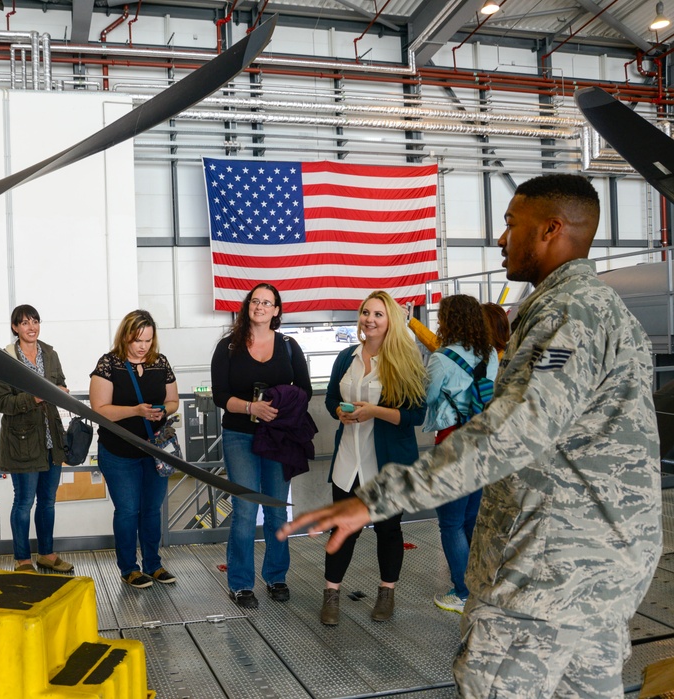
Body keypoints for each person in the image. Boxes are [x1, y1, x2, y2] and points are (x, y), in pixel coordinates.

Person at [280, 174, 661, 697]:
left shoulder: (569, 314)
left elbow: (514, 431)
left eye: (511, 225)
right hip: (596, 561)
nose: (501, 239)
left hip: (553, 566)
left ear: (551, 229)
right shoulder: (595, 309)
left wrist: (377, 500)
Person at [319, 290, 427, 625]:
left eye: (378, 314)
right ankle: (331, 595)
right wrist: (339, 411)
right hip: (348, 461)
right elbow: (331, 400)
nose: (370, 319)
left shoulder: (405, 359)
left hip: (386, 464)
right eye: (366, 312)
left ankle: (386, 593)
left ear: (390, 320)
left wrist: (374, 411)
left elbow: (416, 416)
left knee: (388, 529)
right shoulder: (345, 357)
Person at [210, 283, 312, 610]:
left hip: (279, 435)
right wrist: (251, 408)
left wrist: (281, 406)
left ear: (277, 310)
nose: (261, 307)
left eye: (267, 303)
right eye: (256, 301)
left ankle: (276, 576)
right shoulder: (227, 347)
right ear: (247, 306)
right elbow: (220, 395)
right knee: (244, 509)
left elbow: (305, 389)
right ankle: (240, 583)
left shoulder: (289, 346)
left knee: (276, 508)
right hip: (240, 434)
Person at [89, 310, 180, 589]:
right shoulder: (109, 364)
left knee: (152, 510)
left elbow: (174, 400)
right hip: (119, 452)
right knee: (128, 510)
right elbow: (99, 410)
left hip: (154, 451)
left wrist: (162, 410)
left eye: (148, 340)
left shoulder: (160, 362)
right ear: (126, 336)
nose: (143, 346)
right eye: (138, 340)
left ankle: (153, 564)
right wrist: (135, 411)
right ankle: (129, 568)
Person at [419, 295, 497, 615]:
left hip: (453, 445)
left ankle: (463, 592)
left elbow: (428, 396)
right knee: (471, 520)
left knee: (450, 523)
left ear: (449, 320)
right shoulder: (490, 354)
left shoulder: (441, 359)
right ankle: (478, 587)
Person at [0, 304, 73, 574]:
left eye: (35, 321)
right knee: (24, 502)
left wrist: (61, 390)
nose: (31, 327)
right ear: (15, 327)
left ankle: (47, 554)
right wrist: (34, 397)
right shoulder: (6, 357)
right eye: (24, 322)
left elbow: (59, 382)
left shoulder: (50, 354)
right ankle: (23, 560)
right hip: (22, 442)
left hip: (51, 440)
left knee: (48, 501)